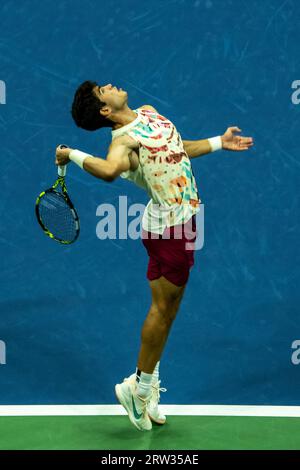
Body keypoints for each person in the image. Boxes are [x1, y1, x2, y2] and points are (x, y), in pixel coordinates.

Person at [55, 81, 253, 431]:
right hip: (170, 231)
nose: (111, 85)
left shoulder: (147, 113)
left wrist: (219, 142)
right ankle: (138, 388)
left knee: (168, 311)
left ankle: (147, 386)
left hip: (180, 224)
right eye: (104, 90)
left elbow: (178, 149)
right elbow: (109, 170)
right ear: (105, 110)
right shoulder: (122, 140)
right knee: (163, 311)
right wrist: (70, 153)